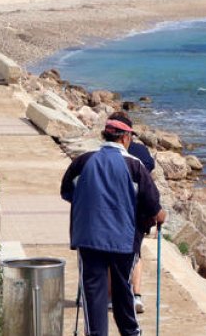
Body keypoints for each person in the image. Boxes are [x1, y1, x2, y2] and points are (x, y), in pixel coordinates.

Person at [62, 119, 166, 336]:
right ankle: (131, 333)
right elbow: (152, 205)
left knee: (93, 291)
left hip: (88, 236)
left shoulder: (83, 161)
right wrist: (159, 215)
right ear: (125, 138)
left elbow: (67, 191)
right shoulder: (135, 165)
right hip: (123, 239)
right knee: (122, 291)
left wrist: (91, 204)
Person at [106, 111, 154, 313]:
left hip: (111, 210)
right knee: (135, 253)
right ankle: (136, 295)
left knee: (110, 253)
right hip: (136, 212)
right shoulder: (140, 152)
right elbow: (149, 175)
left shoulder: (103, 154)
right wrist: (155, 213)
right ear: (127, 135)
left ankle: (111, 296)